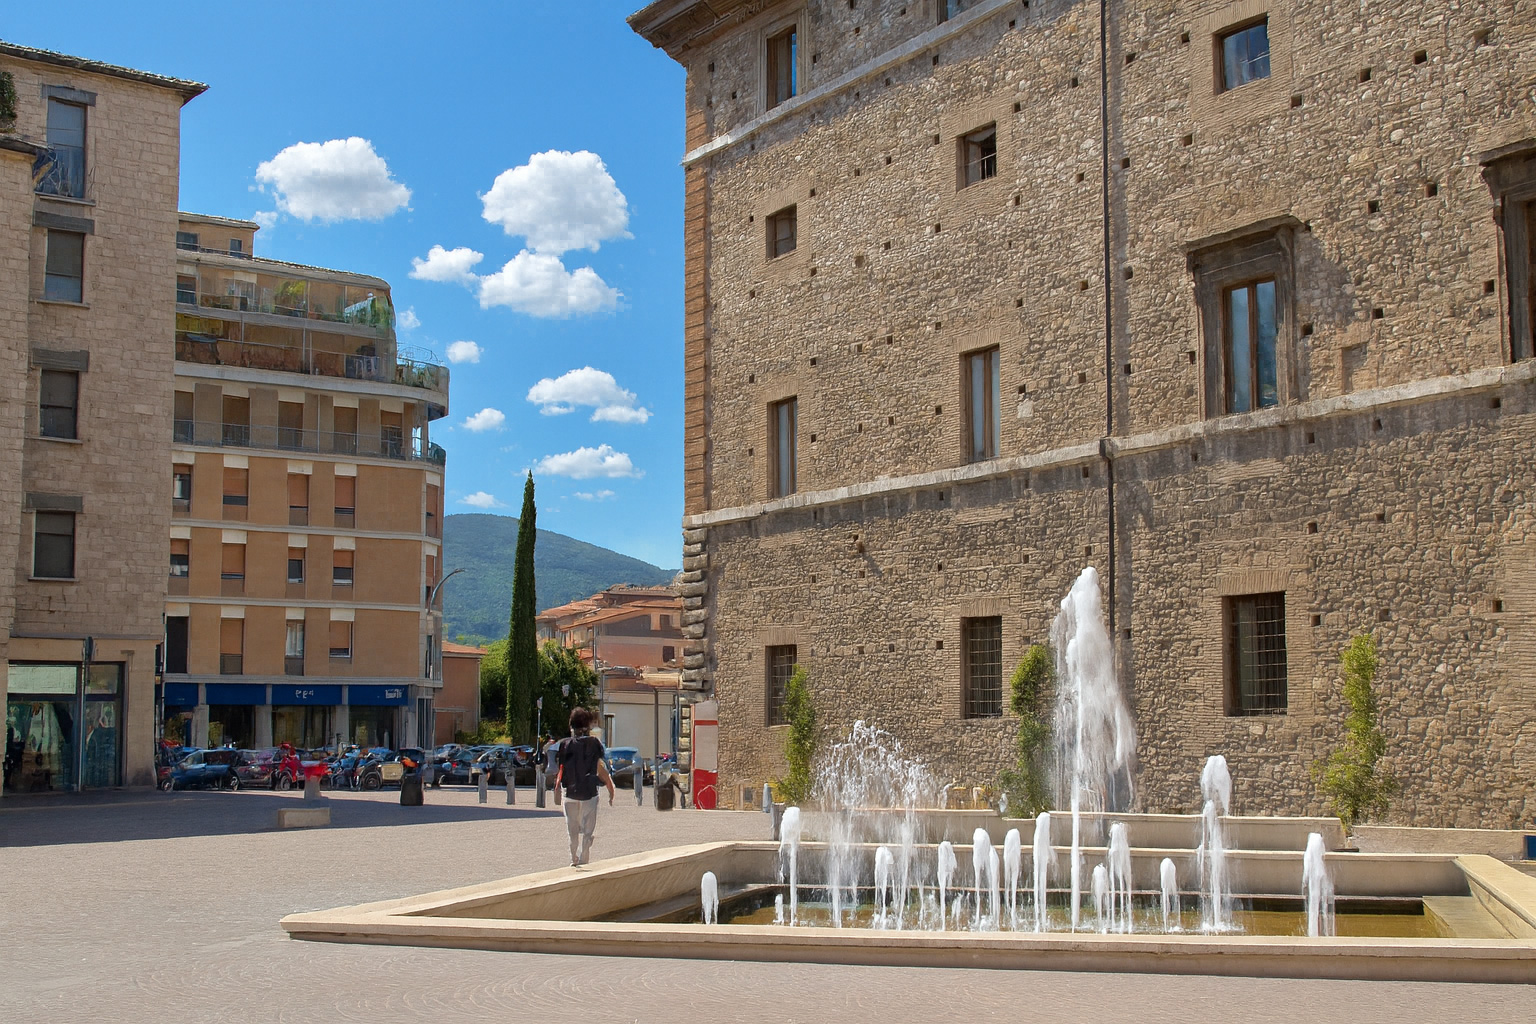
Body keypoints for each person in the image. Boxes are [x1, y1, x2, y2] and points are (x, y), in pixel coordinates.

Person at [555, 707, 614, 867]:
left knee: (572, 829)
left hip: (570, 793)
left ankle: (573, 856)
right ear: (588, 726)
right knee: (588, 828)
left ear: (571, 725)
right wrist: (610, 787)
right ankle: (585, 850)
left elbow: (561, 770)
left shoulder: (564, 745)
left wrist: (557, 788)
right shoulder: (594, 744)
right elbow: (599, 767)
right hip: (589, 792)